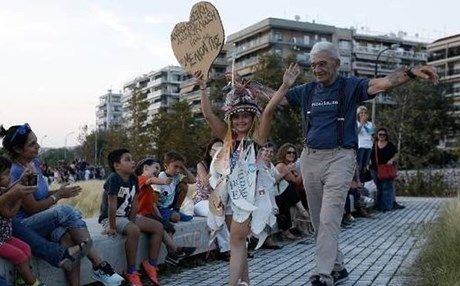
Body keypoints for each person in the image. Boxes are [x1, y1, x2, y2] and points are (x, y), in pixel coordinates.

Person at [276, 42, 438, 286]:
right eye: (313, 65)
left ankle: (322, 273)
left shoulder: (350, 86)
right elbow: (275, 100)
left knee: (330, 217)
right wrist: (245, 89)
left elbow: (382, 83)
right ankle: (338, 268)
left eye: (322, 64)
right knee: (319, 219)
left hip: (340, 158)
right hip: (310, 157)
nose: (317, 70)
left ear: (336, 64)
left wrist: (411, 72)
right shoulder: (307, 90)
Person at [194, 63, 299, 285]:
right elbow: (207, 114)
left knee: (237, 240)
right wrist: (202, 87)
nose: (240, 121)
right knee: (239, 242)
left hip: (250, 197)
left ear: (252, 118)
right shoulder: (226, 138)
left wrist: (284, 86)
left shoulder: (258, 139)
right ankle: (245, 283)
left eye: (245, 116)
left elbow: (269, 110)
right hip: (229, 195)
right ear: (230, 119)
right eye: (236, 117)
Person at [1, 124, 124, 286]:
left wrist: (58, 192)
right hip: (23, 226)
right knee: (64, 211)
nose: (38, 146)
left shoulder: (35, 164)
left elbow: (40, 195)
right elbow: (32, 208)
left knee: (66, 234)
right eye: (32, 144)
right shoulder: (15, 171)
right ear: (17, 149)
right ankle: (100, 265)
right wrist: (58, 196)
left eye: (37, 142)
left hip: (40, 221)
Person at [99, 148, 163, 286]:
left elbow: (135, 201)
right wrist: (112, 226)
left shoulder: (133, 178)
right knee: (133, 230)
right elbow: (111, 206)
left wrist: (133, 219)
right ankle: (131, 271)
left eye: (132, 159)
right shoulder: (114, 179)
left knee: (158, 227)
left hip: (127, 217)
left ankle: (151, 264)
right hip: (112, 217)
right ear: (117, 165)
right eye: (127, 159)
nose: (132, 162)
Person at [135, 157, 196, 266]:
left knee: (167, 226)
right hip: (141, 216)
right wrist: (163, 181)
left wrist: (161, 218)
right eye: (156, 168)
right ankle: (175, 250)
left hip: (150, 215)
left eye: (159, 169)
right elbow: (151, 180)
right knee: (160, 226)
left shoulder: (149, 188)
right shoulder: (140, 179)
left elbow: (153, 205)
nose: (158, 171)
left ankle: (171, 254)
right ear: (145, 168)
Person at [0, 156, 44, 286]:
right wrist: (21, 196)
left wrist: (23, 180)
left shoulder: (2, 190)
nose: (10, 177)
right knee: (19, 255)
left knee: (26, 248)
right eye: (6, 174)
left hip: (5, 236)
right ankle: (34, 283)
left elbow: (11, 189)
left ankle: (21, 279)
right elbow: (10, 213)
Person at [193, 138, 231, 260]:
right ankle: (226, 249)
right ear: (210, 152)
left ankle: (239, 247)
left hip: (220, 201)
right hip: (202, 201)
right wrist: (215, 166)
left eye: (222, 150)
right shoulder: (202, 165)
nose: (218, 152)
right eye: (215, 150)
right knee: (216, 212)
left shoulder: (227, 165)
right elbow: (205, 183)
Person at [275, 143, 308, 240]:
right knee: (290, 187)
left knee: (296, 191)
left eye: (293, 153)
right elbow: (297, 181)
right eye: (289, 152)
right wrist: (302, 169)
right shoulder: (281, 165)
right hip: (278, 196)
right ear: (283, 153)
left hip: (287, 197)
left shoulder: (290, 166)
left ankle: (302, 213)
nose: (291, 154)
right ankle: (302, 211)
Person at [156, 151, 196, 223]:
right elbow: (154, 200)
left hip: (169, 207)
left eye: (180, 167)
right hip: (160, 208)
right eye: (175, 166)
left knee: (184, 185)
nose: (178, 170)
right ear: (166, 166)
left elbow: (193, 181)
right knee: (176, 218)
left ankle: (176, 210)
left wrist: (184, 168)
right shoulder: (160, 177)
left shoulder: (176, 177)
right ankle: (171, 214)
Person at [370, 128, 398, 212]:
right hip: (375, 169)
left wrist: (391, 160)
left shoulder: (389, 145)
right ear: (377, 136)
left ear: (386, 136)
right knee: (379, 188)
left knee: (387, 187)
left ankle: (387, 206)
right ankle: (379, 206)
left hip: (386, 169)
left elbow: (397, 154)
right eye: (380, 134)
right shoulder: (373, 145)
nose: (382, 136)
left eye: (383, 135)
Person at [356, 106, 374, 184]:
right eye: (361, 113)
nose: (363, 114)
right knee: (359, 165)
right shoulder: (356, 123)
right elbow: (356, 132)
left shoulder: (370, 124)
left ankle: (362, 182)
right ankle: (357, 181)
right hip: (361, 146)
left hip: (368, 146)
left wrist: (366, 124)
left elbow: (371, 134)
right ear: (358, 114)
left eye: (365, 113)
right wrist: (362, 124)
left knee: (364, 166)